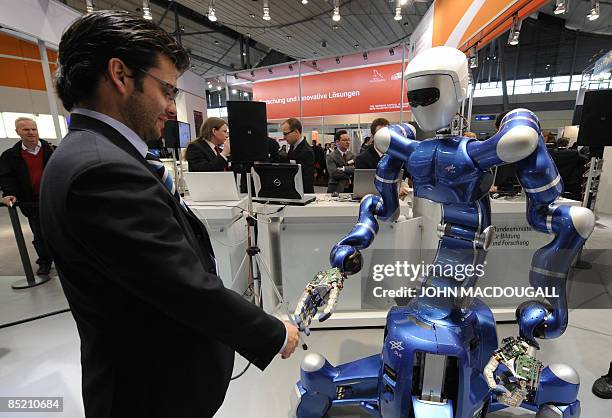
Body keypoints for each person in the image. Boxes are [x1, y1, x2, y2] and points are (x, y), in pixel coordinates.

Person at [40, 11, 298, 418]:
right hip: (149, 394)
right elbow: (181, 284)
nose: (171, 106)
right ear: (120, 75)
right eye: (166, 89)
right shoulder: (100, 169)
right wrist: (270, 332)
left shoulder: (94, 154)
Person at [0, 117, 54, 275]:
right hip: (31, 203)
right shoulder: (10, 156)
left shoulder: (52, 150)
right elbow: (7, 177)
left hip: (53, 199)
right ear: (17, 132)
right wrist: (9, 194)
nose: (31, 132)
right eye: (26, 130)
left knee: (63, 230)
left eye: (33, 129)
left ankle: (68, 259)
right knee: (39, 235)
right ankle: (45, 261)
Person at [281, 117, 315, 193]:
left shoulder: (306, 151)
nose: (284, 137)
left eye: (285, 134)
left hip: (302, 194)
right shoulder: (293, 147)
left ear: (296, 132)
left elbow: (307, 180)